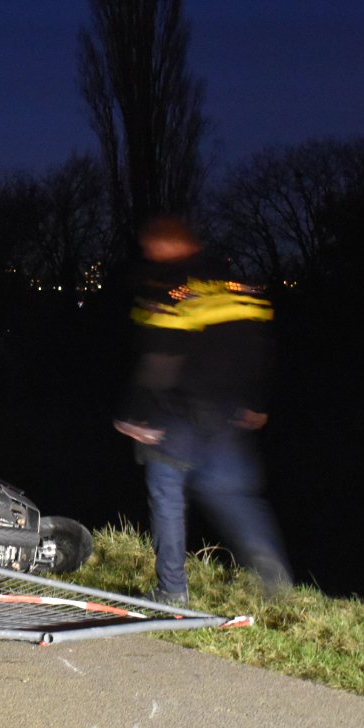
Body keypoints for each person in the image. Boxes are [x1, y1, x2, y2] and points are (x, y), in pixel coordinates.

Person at [113, 214, 294, 607]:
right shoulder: (237, 287)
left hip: (176, 415)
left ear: (165, 245)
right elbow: (261, 349)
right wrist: (256, 402)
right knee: (231, 493)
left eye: (151, 248)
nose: (148, 255)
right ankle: (274, 579)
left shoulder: (166, 290)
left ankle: (173, 590)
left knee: (167, 497)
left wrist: (133, 415)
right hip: (228, 415)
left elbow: (158, 359)